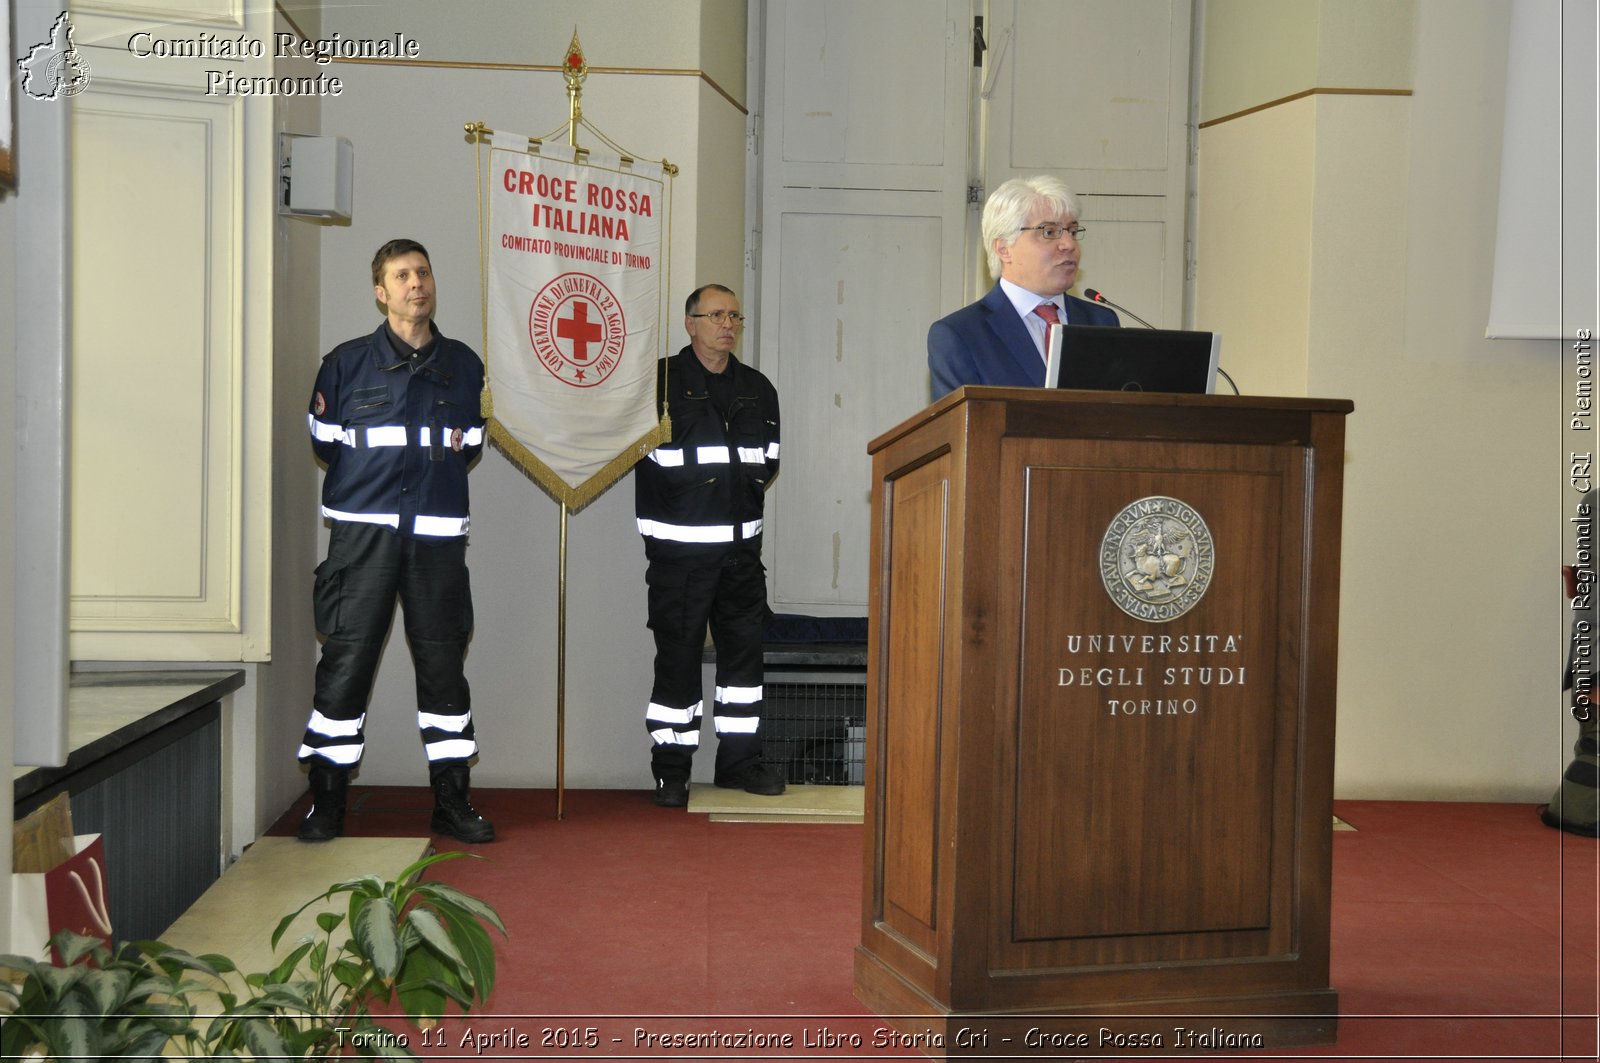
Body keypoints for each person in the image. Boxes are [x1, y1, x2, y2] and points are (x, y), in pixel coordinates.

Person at [296, 238, 495, 844]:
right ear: (381, 292)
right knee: (345, 667)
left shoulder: (464, 366)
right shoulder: (345, 364)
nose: (417, 284)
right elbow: (325, 441)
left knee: (443, 673)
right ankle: (327, 803)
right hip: (363, 544)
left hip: (435, 547)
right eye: (402, 275)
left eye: (424, 272)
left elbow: (471, 445)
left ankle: (451, 801)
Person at [635, 284, 785, 808]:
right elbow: (640, 456)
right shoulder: (658, 384)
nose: (727, 323)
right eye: (715, 314)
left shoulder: (758, 389)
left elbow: (768, 462)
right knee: (676, 662)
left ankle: (739, 763)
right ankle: (671, 770)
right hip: (679, 559)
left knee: (743, 666)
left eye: (734, 315)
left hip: (742, 558)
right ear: (689, 322)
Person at [927, 175, 1119, 402]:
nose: (1069, 244)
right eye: (1049, 232)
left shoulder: (1101, 322)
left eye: (1073, 232)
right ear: (1004, 248)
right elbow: (962, 431)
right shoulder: (960, 335)